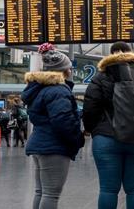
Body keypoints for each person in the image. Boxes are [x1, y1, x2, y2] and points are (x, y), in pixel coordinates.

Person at [82, 41, 134, 209]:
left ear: (110, 55)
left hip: (106, 140)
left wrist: (94, 129)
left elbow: (89, 109)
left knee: (108, 190)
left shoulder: (100, 78)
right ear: (130, 54)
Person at [22, 43, 85, 209]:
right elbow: (62, 121)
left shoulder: (41, 89)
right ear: (64, 71)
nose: (71, 71)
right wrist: (78, 139)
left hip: (39, 144)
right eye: (69, 68)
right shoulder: (58, 91)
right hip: (53, 147)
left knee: (41, 191)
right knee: (51, 194)